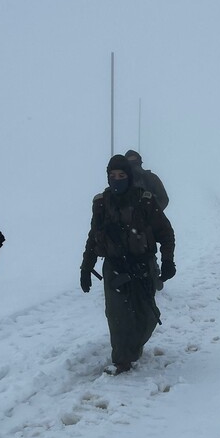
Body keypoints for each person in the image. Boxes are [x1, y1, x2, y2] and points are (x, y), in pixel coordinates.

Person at [80, 155, 176, 375]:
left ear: (129, 177)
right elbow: (94, 237)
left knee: (146, 316)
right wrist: (86, 267)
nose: (117, 180)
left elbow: (166, 233)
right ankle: (122, 359)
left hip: (142, 265)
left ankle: (133, 347)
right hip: (114, 267)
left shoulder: (146, 201)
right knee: (117, 315)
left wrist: (168, 260)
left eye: (121, 175)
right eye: (112, 176)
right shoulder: (101, 204)